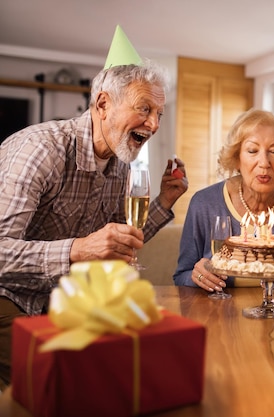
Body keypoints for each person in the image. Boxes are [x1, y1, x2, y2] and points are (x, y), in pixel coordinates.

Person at [0, 60, 189, 389]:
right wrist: (78, 249)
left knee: (143, 363)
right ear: (103, 104)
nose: (155, 124)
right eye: (145, 108)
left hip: (63, 298)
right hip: (8, 296)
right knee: (67, 382)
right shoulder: (40, 151)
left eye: (159, 113)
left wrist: (163, 202)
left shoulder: (120, 166)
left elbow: (117, 240)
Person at [174, 109, 274, 291]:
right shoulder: (204, 204)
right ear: (237, 158)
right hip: (222, 316)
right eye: (252, 150)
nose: (264, 162)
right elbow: (181, 276)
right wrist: (197, 276)